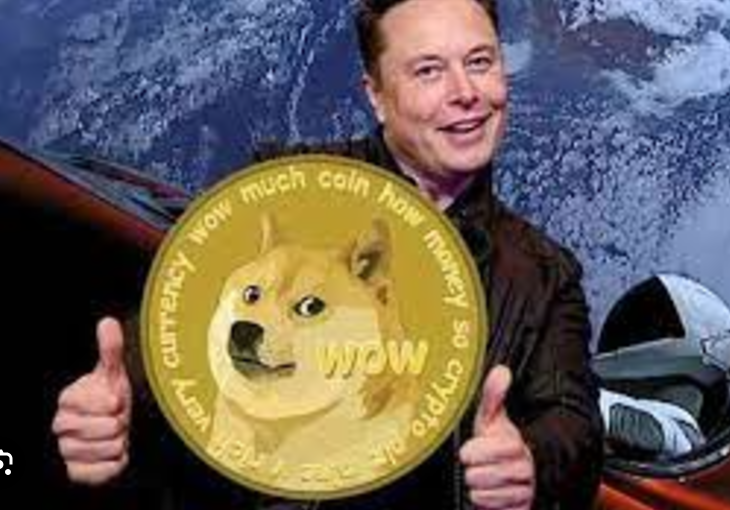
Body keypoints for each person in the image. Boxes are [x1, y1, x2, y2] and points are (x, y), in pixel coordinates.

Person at [51, 0, 604, 508]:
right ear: (376, 95)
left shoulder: (543, 276)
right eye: (429, 71)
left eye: (480, 62)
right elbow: (169, 340)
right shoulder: (276, 190)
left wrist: (530, 463)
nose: (466, 92)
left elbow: (573, 428)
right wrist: (113, 411)